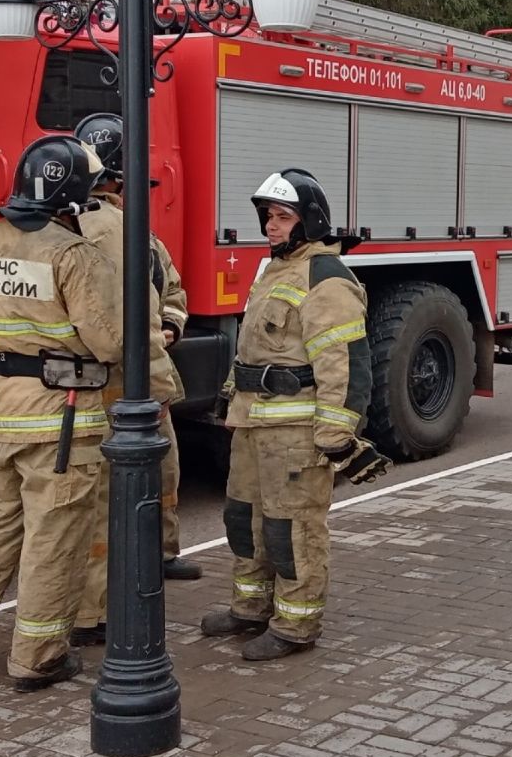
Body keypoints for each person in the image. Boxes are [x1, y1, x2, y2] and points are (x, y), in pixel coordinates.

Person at [0, 136, 121, 691]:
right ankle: (38, 656)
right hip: (61, 418)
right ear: (73, 194)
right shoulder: (72, 255)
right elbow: (108, 343)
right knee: (53, 536)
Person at [200, 169, 388, 661]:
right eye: (268, 217)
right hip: (253, 423)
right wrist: (229, 396)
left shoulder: (327, 278)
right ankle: (250, 608)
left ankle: (295, 626)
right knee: (244, 520)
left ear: (310, 221)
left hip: (294, 432)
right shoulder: (273, 270)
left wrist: (336, 434)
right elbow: (255, 346)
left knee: (293, 530)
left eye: (283, 217)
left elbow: (343, 364)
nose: (271, 226)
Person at [68, 111, 199, 651]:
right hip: (109, 378)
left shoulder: (142, 237)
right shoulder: (79, 235)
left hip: (148, 375)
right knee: (103, 495)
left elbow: (170, 291)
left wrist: (170, 326)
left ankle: (161, 555)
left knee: (163, 471)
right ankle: (94, 607)